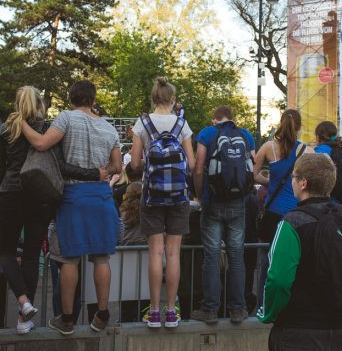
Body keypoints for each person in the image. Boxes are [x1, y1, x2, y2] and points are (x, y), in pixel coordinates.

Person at [0, 86, 104, 335]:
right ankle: (24, 320)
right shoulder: (47, 129)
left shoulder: (6, 130)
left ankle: (23, 302)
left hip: (11, 193)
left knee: (4, 251)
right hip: (40, 197)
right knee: (32, 254)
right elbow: (62, 167)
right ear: (39, 104)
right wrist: (94, 174)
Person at [21, 80, 122, 335]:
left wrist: (20, 123)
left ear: (72, 98)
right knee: (101, 257)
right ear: (93, 98)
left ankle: (66, 320)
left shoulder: (66, 118)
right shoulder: (109, 128)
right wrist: (100, 172)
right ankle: (102, 313)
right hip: (101, 196)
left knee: (68, 259)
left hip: (73, 195)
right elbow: (117, 167)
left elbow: (42, 144)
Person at [257, 153, 342, 351]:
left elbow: (278, 279)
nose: (292, 181)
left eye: (293, 177)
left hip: (299, 331)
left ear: (303, 183)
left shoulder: (292, 222)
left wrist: (268, 314)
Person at [131, 76, 195, 328]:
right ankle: (171, 312)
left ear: (154, 98)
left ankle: (154, 312)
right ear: (173, 100)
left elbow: (135, 164)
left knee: (156, 253)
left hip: (151, 195)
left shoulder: (143, 123)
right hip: (179, 197)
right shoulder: (182, 124)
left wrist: (153, 163)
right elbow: (190, 163)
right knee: (173, 253)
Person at [191, 106, 255, 325]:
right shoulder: (245, 134)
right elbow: (252, 168)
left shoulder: (207, 134)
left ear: (214, 120)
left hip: (212, 204)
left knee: (212, 256)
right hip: (238, 204)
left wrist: (200, 196)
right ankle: (238, 309)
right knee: (237, 257)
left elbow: (199, 168)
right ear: (232, 118)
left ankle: (210, 310)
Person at [253, 109, 312, 305]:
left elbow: (253, 175)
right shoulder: (306, 151)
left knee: (267, 262)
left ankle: (265, 304)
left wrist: (270, 182)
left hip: (272, 213)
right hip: (297, 215)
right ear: (299, 126)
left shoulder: (268, 147)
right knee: (296, 261)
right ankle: (292, 304)